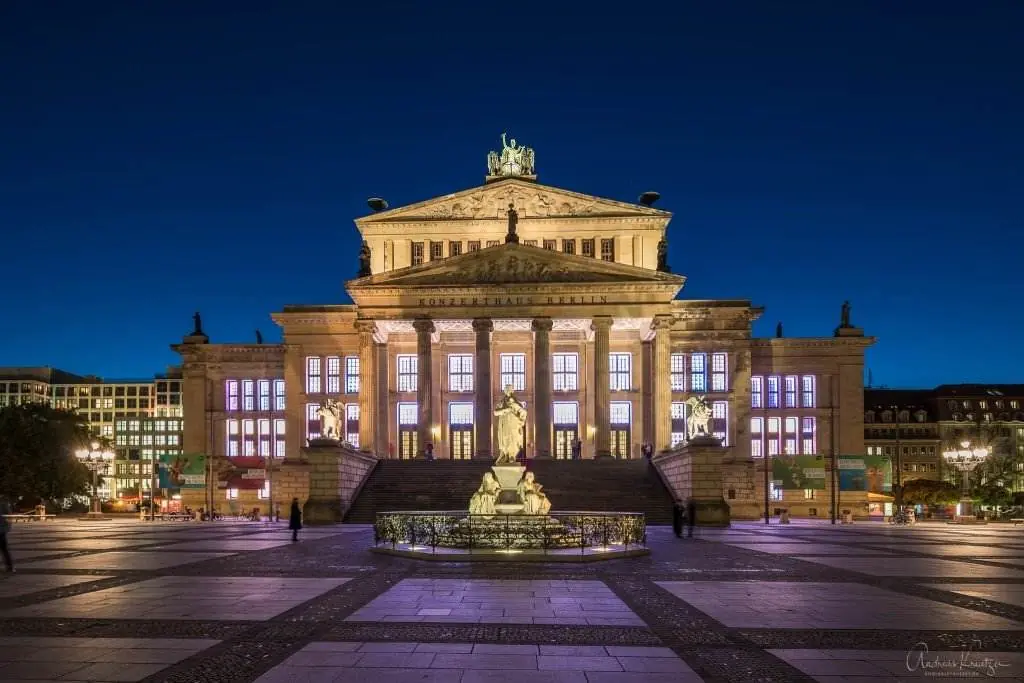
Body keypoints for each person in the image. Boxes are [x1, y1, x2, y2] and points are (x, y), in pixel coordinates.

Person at [0, 497, 14, 572]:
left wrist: (6, 528)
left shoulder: (3, 504)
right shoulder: (3, 504)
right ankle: (9, 566)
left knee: (4, 549)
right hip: (2, 530)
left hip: (1, 530)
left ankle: (10, 566)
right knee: (4, 549)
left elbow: (9, 517)